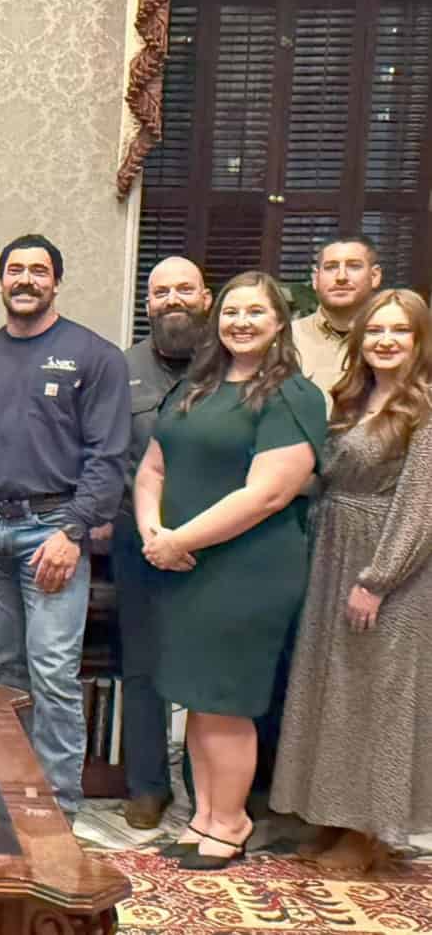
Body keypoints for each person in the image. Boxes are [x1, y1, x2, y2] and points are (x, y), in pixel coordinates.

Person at [134, 270, 326, 870]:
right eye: (232, 312)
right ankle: (202, 816)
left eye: (256, 313)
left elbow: (268, 494)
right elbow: (152, 469)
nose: (241, 323)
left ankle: (232, 820)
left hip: (247, 569)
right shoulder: (200, 384)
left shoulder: (293, 395)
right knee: (195, 695)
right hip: (183, 563)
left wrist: (177, 541)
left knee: (227, 698)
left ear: (279, 324)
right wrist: (152, 532)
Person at [0, 234, 130, 815]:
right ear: (0, 280)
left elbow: (108, 457)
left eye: (38, 271)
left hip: (52, 532)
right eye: (15, 270)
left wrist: (73, 531)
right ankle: (10, 796)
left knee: (52, 673)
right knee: (2, 671)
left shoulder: (94, 356)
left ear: (57, 281)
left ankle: (56, 809)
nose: (25, 280)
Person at [272, 289, 432, 874]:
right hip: (331, 552)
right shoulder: (351, 399)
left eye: (401, 331)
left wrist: (378, 580)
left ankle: (370, 833)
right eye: (375, 331)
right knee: (331, 691)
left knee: (377, 698)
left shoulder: (424, 409)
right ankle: (333, 816)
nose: (386, 341)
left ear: (419, 340)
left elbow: (422, 508)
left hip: (389, 570)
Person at [103, 256, 211, 829]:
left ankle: (210, 789)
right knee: (141, 663)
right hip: (138, 537)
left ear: (205, 299)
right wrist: (150, 531)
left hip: (219, 542)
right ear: (147, 304)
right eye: (161, 291)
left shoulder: (234, 365)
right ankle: (148, 784)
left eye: (185, 290)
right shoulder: (119, 369)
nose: (174, 299)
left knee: (211, 666)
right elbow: (107, 454)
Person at [291, 236, 382, 405]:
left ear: (375, 276)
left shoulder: (393, 341)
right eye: (331, 267)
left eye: (354, 266)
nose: (341, 277)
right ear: (315, 279)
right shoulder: (286, 338)